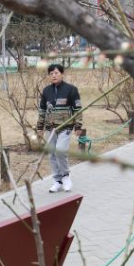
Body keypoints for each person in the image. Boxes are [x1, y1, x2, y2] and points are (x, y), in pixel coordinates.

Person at [37, 64, 83, 193]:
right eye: (51, 74)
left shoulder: (71, 89)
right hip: (50, 128)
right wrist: (40, 127)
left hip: (65, 127)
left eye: (56, 73)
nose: (54, 75)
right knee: (52, 154)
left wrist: (78, 125)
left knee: (60, 151)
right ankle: (57, 180)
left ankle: (66, 176)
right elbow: (42, 110)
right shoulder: (46, 91)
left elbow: (77, 109)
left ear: (62, 74)